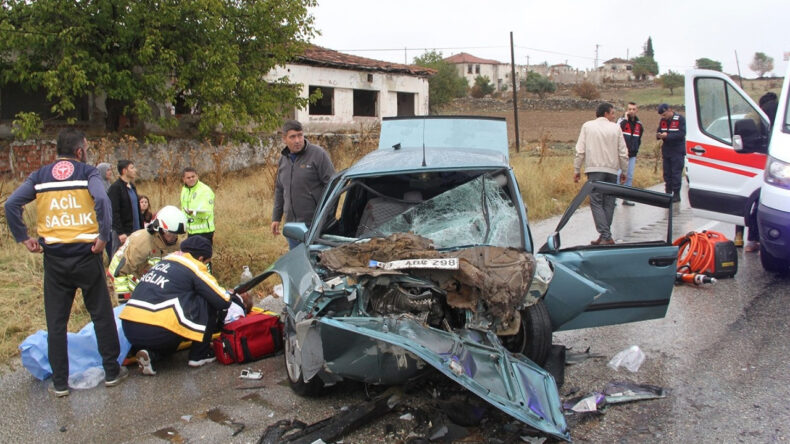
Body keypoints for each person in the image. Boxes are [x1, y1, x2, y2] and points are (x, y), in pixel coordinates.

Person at [4, 128, 127, 397]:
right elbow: (103, 200)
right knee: (101, 316)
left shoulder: (40, 176)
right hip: (87, 255)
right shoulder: (87, 172)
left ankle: (60, 383)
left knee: (56, 323)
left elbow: (11, 205)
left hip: (55, 260)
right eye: (86, 147)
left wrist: (24, 237)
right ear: (79, 151)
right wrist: (104, 237)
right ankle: (111, 372)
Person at [119, 236, 242, 375]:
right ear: (201, 259)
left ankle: (150, 355)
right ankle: (199, 355)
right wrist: (232, 295)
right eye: (207, 262)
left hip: (130, 328)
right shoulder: (193, 266)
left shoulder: (164, 261)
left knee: (171, 335)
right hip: (157, 329)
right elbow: (221, 300)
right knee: (206, 299)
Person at [271, 120, 335, 249]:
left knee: (316, 263)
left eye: (300, 135)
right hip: (293, 226)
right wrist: (276, 218)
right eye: (292, 137)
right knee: (297, 262)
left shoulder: (318, 154)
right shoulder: (283, 159)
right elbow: (280, 189)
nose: (297, 140)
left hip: (315, 225)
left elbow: (333, 186)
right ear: (284, 139)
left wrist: (326, 216)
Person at [573, 102, 629, 245]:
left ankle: (605, 235)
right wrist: (624, 170)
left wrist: (577, 169)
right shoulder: (616, 128)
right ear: (605, 114)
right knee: (609, 202)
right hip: (611, 171)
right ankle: (605, 235)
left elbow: (580, 150)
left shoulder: (587, 126)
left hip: (594, 170)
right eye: (612, 113)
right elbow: (623, 152)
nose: (614, 116)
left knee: (596, 202)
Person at [108, 205, 186, 302]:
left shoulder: (176, 244)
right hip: (123, 276)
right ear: (159, 229)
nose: (174, 238)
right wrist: (124, 301)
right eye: (170, 234)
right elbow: (121, 273)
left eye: (176, 234)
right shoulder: (142, 243)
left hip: (145, 279)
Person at [108, 160, 143, 254]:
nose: (134, 170)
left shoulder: (132, 186)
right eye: (131, 168)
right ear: (124, 171)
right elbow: (114, 212)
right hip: (123, 232)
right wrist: (120, 233)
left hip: (136, 230)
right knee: (119, 257)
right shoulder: (116, 188)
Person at [656, 103, 686, 203]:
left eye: (664, 114)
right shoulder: (663, 121)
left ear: (669, 110)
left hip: (677, 150)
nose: (663, 117)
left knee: (676, 173)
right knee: (667, 173)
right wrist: (659, 135)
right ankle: (668, 192)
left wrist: (667, 136)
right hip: (667, 150)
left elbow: (681, 134)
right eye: (661, 116)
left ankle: (676, 194)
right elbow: (659, 131)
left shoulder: (680, 119)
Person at [618, 102, 643, 206]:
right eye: (629, 109)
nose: (631, 111)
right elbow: (616, 131)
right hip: (621, 154)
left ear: (636, 110)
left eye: (633, 109)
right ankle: (613, 199)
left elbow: (639, 138)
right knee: (618, 175)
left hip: (632, 154)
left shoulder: (639, 124)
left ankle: (626, 198)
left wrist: (636, 149)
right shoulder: (621, 121)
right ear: (626, 110)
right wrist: (625, 120)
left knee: (629, 176)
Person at [180, 167, 215, 243]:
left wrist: (193, 213)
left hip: (204, 232)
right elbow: (183, 209)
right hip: (191, 232)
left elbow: (207, 213)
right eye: (188, 178)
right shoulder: (184, 190)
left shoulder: (205, 190)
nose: (191, 179)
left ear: (197, 176)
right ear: (184, 179)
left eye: (193, 176)